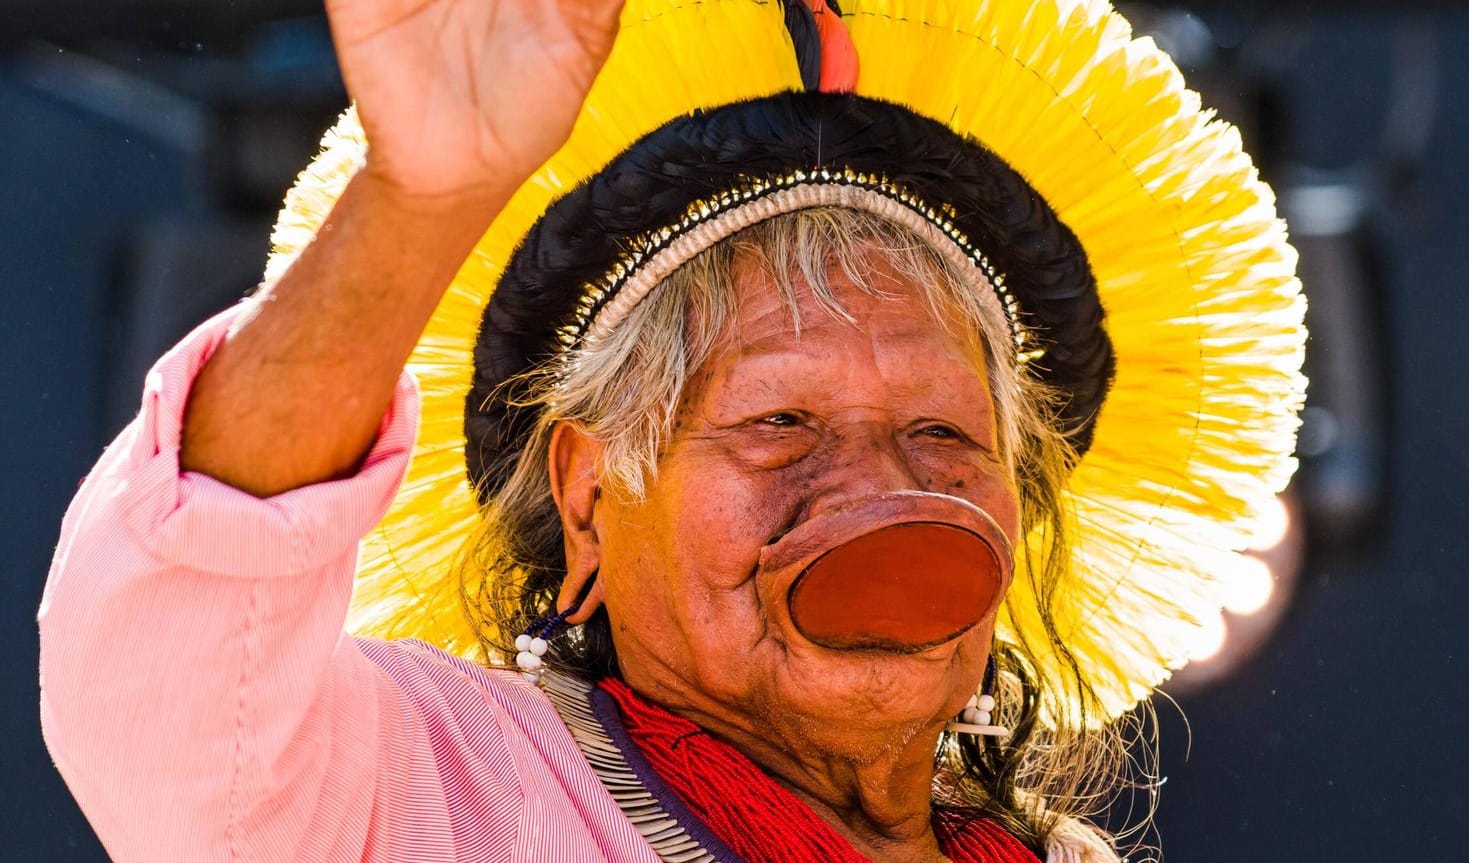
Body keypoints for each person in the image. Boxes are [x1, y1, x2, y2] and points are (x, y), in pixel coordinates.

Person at [37, 0, 1307, 861]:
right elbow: (187, 676)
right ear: (586, 498)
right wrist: (427, 196)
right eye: (782, 422)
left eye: (943, 434)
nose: (876, 486)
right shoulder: (442, 794)